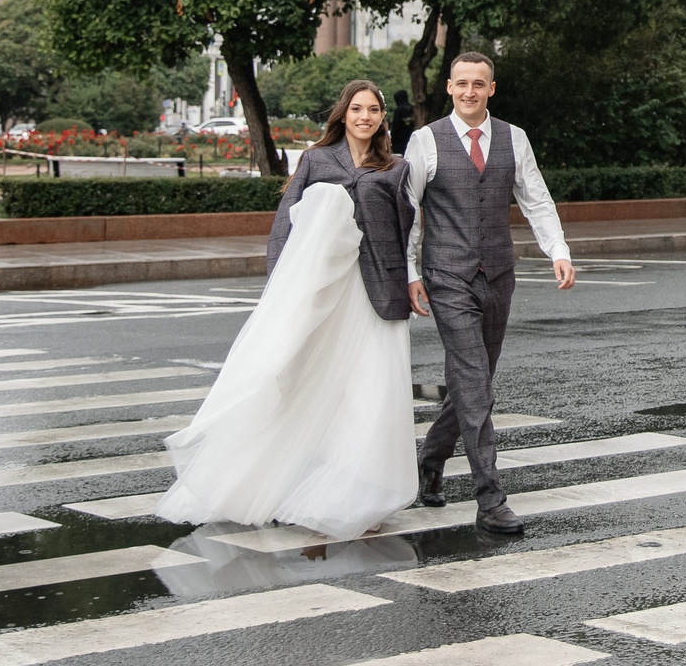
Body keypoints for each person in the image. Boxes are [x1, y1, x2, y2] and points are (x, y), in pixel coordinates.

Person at [156, 79, 420, 538]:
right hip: (321, 294)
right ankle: (290, 483)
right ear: (343, 114)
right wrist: (283, 288)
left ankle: (363, 497)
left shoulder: (396, 168)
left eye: (373, 110)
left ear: (382, 118)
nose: (365, 117)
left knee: (371, 392)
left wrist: (413, 280)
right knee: (305, 384)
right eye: (357, 109)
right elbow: (286, 223)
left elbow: (408, 232)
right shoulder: (317, 160)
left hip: (376, 292)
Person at [404, 51, 575, 535]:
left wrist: (557, 251)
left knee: (472, 383)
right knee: (475, 381)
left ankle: (430, 461)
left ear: (491, 89)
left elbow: (536, 198)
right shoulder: (426, 140)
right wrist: (411, 274)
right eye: (461, 83)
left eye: (478, 83)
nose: (469, 91)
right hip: (447, 275)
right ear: (450, 88)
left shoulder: (514, 138)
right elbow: (409, 210)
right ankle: (490, 498)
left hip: (498, 273)